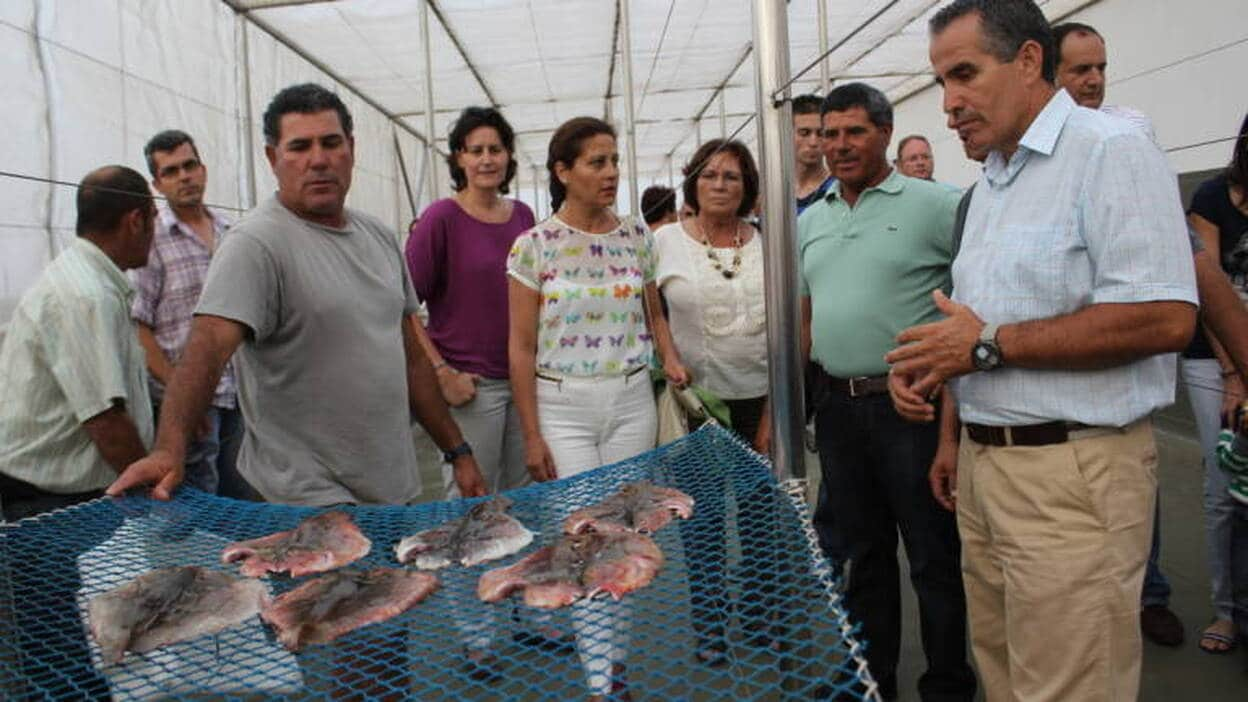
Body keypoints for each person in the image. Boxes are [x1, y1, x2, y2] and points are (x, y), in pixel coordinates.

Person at [888, 3, 1198, 698]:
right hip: (988, 469)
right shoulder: (993, 183)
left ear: (1029, 60)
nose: (948, 105)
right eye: (940, 82)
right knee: (1005, 678)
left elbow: (1164, 317)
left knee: (1066, 686)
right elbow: (978, 331)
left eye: (963, 75)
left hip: (1073, 472)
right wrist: (941, 374)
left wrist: (987, 345)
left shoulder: (1109, 150)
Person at [798, 82, 975, 702]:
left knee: (933, 558)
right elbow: (809, 309)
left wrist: (943, 379)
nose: (839, 146)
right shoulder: (811, 220)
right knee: (864, 556)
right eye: (829, 134)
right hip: (839, 409)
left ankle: (948, 686)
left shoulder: (939, 205)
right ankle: (872, 684)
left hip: (912, 408)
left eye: (854, 132)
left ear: (885, 133)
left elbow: (975, 303)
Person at [507, 115, 687, 702]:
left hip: (633, 399)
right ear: (563, 172)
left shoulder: (638, 238)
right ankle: (599, 685)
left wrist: (669, 356)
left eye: (614, 160)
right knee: (586, 543)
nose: (610, 173)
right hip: (564, 409)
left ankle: (616, 670)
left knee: (622, 542)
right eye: (596, 162)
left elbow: (653, 312)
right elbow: (522, 346)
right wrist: (532, 434)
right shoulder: (533, 247)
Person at [1052, 19, 1187, 648]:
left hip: (1115, 403)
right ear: (1044, 73)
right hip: (1055, 433)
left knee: (1133, 485)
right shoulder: (1020, 165)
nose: (1094, 80)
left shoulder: (1126, 138)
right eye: (1080, 69)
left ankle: (1149, 593)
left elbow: (1169, 303)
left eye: (1100, 67)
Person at [0, 166, 156, 698]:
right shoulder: (85, 295)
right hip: (43, 503)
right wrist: (154, 490)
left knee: (69, 644)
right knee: (58, 651)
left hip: (54, 497)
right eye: (152, 219)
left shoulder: (89, 280)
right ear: (136, 220)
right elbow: (105, 420)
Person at [404, 105, 535, 678]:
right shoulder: (440, 220)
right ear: (458, 157)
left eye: (495, 148)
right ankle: (477, 640)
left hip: (524, 386)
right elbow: (404, 308)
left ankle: (526, 613)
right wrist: (440, 372)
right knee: (468, 518)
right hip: (470, 391)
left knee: (522, 507)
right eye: (474, 149)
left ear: (508, 156)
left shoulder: (524, 216)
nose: (486, 158)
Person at [654, 138, 767, 666]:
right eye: (710, 176)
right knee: (701, 524)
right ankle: (710, 626)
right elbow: (648, 311)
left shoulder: (768, 243)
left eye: (732, 177)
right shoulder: (664, 242)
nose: (720, 185)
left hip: (761, 400)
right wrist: (668, 356)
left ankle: (761, 613)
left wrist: (775, 414)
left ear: (748, 188)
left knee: (760, 515)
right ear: (693, 185)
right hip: (696, 407)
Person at [131, 129, 251, 500]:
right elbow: (139, 328)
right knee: (198, 501)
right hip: (194, 405)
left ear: (203, 169)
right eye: (171, 171)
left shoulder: (233, 232)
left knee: (243, 494)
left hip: (241, 394)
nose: (184, 176)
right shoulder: (152, 241)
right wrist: (181, 397)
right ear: (157, 184)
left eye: (189, 165)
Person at [1185, 111, 1248, 654]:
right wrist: (1234, 374)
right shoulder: (1210, 198)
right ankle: (1226, 610)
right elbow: (1210, 287)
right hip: (1213, 361)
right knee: (1225, 488)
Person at [793, 93, 835, 215]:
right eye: (804, 133)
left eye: (820, 133)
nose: (813, 142)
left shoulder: (837, 189)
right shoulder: (775, 192)